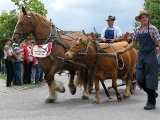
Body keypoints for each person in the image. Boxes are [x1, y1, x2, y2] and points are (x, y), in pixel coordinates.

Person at [117, 10, 160, 110]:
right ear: (140, 19)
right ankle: (152, 93)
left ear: (147, 18)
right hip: (141, 55)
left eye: (146, 17)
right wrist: (123, 50)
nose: (144, 18)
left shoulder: (153, 29)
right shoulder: (137, 30)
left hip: (151, 54)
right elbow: (134, 43)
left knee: (150, 78)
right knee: (139, 78)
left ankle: (151, 102)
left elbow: (158, 41)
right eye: (142, 17)